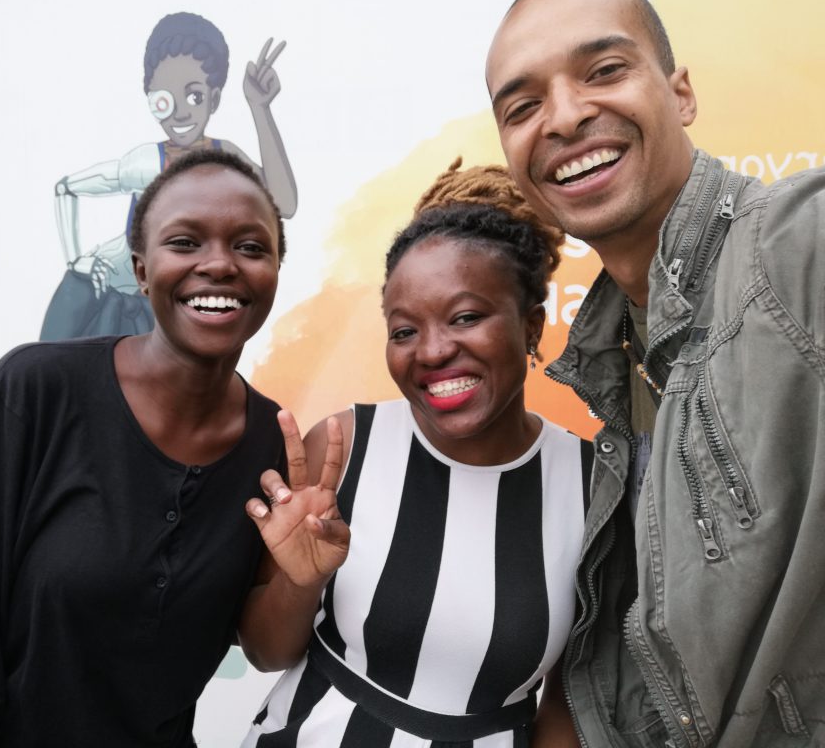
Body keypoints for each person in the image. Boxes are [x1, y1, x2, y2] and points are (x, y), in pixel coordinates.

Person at [485, 0, 825, 745]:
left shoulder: (792, 247)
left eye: (603, 71)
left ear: (681, 94)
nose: (565, 116)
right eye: (522, 106)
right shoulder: (615, 355)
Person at [0, 149, 288, 747]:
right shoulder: (35, 391)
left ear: (276, 269)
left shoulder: (271, 449)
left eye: (251, 248)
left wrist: (301, 579)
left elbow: (262, 647)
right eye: (184, 243)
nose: (220, 265)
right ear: (141, 269)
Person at [238, 161, 593, 747]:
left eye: (466, 318)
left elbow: (566, 703)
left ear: (532, 325)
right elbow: (267, 653)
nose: (431, 351)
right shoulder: (344, 445)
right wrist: (297, 584)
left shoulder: (590, 483)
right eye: (404, 330)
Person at [41, 10, 296, 341]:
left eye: (194, 96)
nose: (181, 111)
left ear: (214, 98)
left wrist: (260, 109)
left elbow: (283, 203)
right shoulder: (144, 162)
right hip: (113, 305)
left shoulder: (226, 158)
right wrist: (78, 262)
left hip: (173, 316)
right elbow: (66, 188)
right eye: (165, 99)